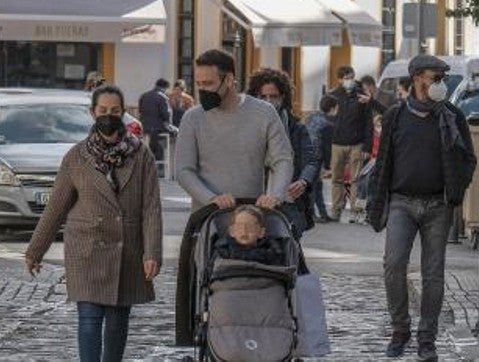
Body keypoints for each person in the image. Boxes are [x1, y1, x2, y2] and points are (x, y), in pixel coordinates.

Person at [25, 85, 162, 362]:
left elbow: (151, 208)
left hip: (128, 249)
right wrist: (35, 250)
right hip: (86, 247)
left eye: (114, 111)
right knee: (89, 316)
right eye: (103, 111)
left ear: (123, 113)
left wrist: (152, 253)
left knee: (117, 320)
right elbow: (57, 207)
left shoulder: (141, 155)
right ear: (92, 113)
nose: (108, 116)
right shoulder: (76, 156)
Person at [173, 49, 294, 345]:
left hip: (254, 216)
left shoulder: (263, 113)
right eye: (198, 83)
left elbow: (282, 160)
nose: (202, 90)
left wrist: (274, 194)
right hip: (210, 218)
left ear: (230, 80)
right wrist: (211, 198)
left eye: (209, 83)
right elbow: (184, 170)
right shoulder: (193, 119)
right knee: (206, 287)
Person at [368, 55, 478, 361]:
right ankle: (400, 329)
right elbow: (383, 160)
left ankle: (427, 337)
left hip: (438, 204)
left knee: (433, 274)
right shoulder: (395, 116)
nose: (439, 83)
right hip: (401, 201)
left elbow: (469, 158)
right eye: (435, 77)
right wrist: (376, 202)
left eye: (442, 78)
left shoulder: (452, 116)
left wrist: (456, 188)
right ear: (417, 78)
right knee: (393, 264)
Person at [245, 68, 320, 238]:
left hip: (288, 200)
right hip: (254, 199)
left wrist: (303, 181)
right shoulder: (246, 127)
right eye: (263, 97)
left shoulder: (296, 128)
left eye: (274, 96)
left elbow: (311, 161)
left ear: (283, 97)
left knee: (288, 246)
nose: (268, 101)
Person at [326, 65, 373, 222]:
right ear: (340, 80)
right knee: (336, 179)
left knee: (356, 179)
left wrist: (368, 146)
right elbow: (326, 118)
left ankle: (356, 211)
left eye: (351, 77)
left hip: (356, 143)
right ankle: (336, 210)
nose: (350, 81)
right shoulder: (333, 96)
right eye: (346, 78)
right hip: (337, 143)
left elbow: (368, 123)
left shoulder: (362, 96)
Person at [303, 95, 338, 223]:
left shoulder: (311, 117)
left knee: (316, 185)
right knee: (314, 187)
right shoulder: (328, 124)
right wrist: (328, 166)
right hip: (317, 157)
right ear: (332, 108)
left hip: (306, 154)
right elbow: (326, 147)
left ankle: (322, 213)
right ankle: (312, 213)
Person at [212, 206, 284, 266]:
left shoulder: (272, 253)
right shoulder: (222, 252)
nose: (244, 231)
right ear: (232, 231)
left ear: (261, 232)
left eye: (250, 227)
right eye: (239, 227)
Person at [137, 78, 173, 162]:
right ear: (165, 87)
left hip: (145, 128)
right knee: (175, 134)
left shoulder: (144, 95)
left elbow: (140, 111)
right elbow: (166, 115)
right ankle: (163, 166)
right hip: (158, 129)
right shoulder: (162, 97)